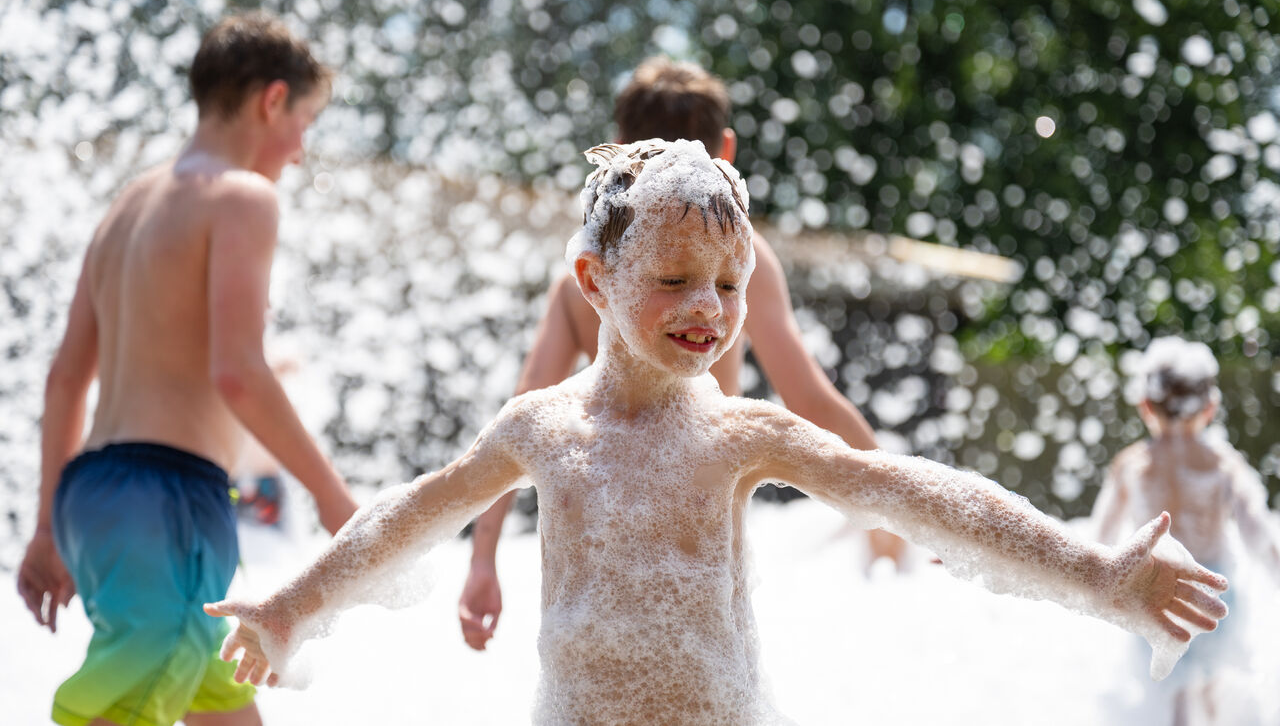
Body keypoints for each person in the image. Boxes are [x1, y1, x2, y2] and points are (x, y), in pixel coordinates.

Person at [208, 140, 1227, 724]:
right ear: (593, 281)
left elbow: (915, 490)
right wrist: (294, 606)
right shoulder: (542, 429)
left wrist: (1093, 573)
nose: (709, 305)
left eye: (730, 282)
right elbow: (410, 515)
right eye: (673, 278)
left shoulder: (741, 433)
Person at [459, 57, 905, 651]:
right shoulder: (745, 263)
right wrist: (896, 525)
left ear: (617, 152)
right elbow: (811, 400)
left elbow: (521, 416)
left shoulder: (584, 277)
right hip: (700, 515)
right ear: (727, 151)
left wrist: (482, 558)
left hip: (600, 520)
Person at [16, 12, 359, 726]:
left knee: (219, 700)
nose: (300, 151)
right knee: (122, 707)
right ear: (272, 101)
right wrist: (330, 493)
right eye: (306, 121)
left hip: (95, 494)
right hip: (168, 498)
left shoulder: (127, 204)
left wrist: (48, 525)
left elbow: (64, 380)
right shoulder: (242, 197)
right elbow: (238, 372)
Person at [1091, 336, 1280, 724]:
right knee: (1215, 697)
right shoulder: (1224, 464)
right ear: (1210, 407)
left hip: (1153, 596)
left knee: (1168, 697)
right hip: (1215, 596)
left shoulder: (1132, 465)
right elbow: (1261, 538)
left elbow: (1097, 542)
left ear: (1144, 405)